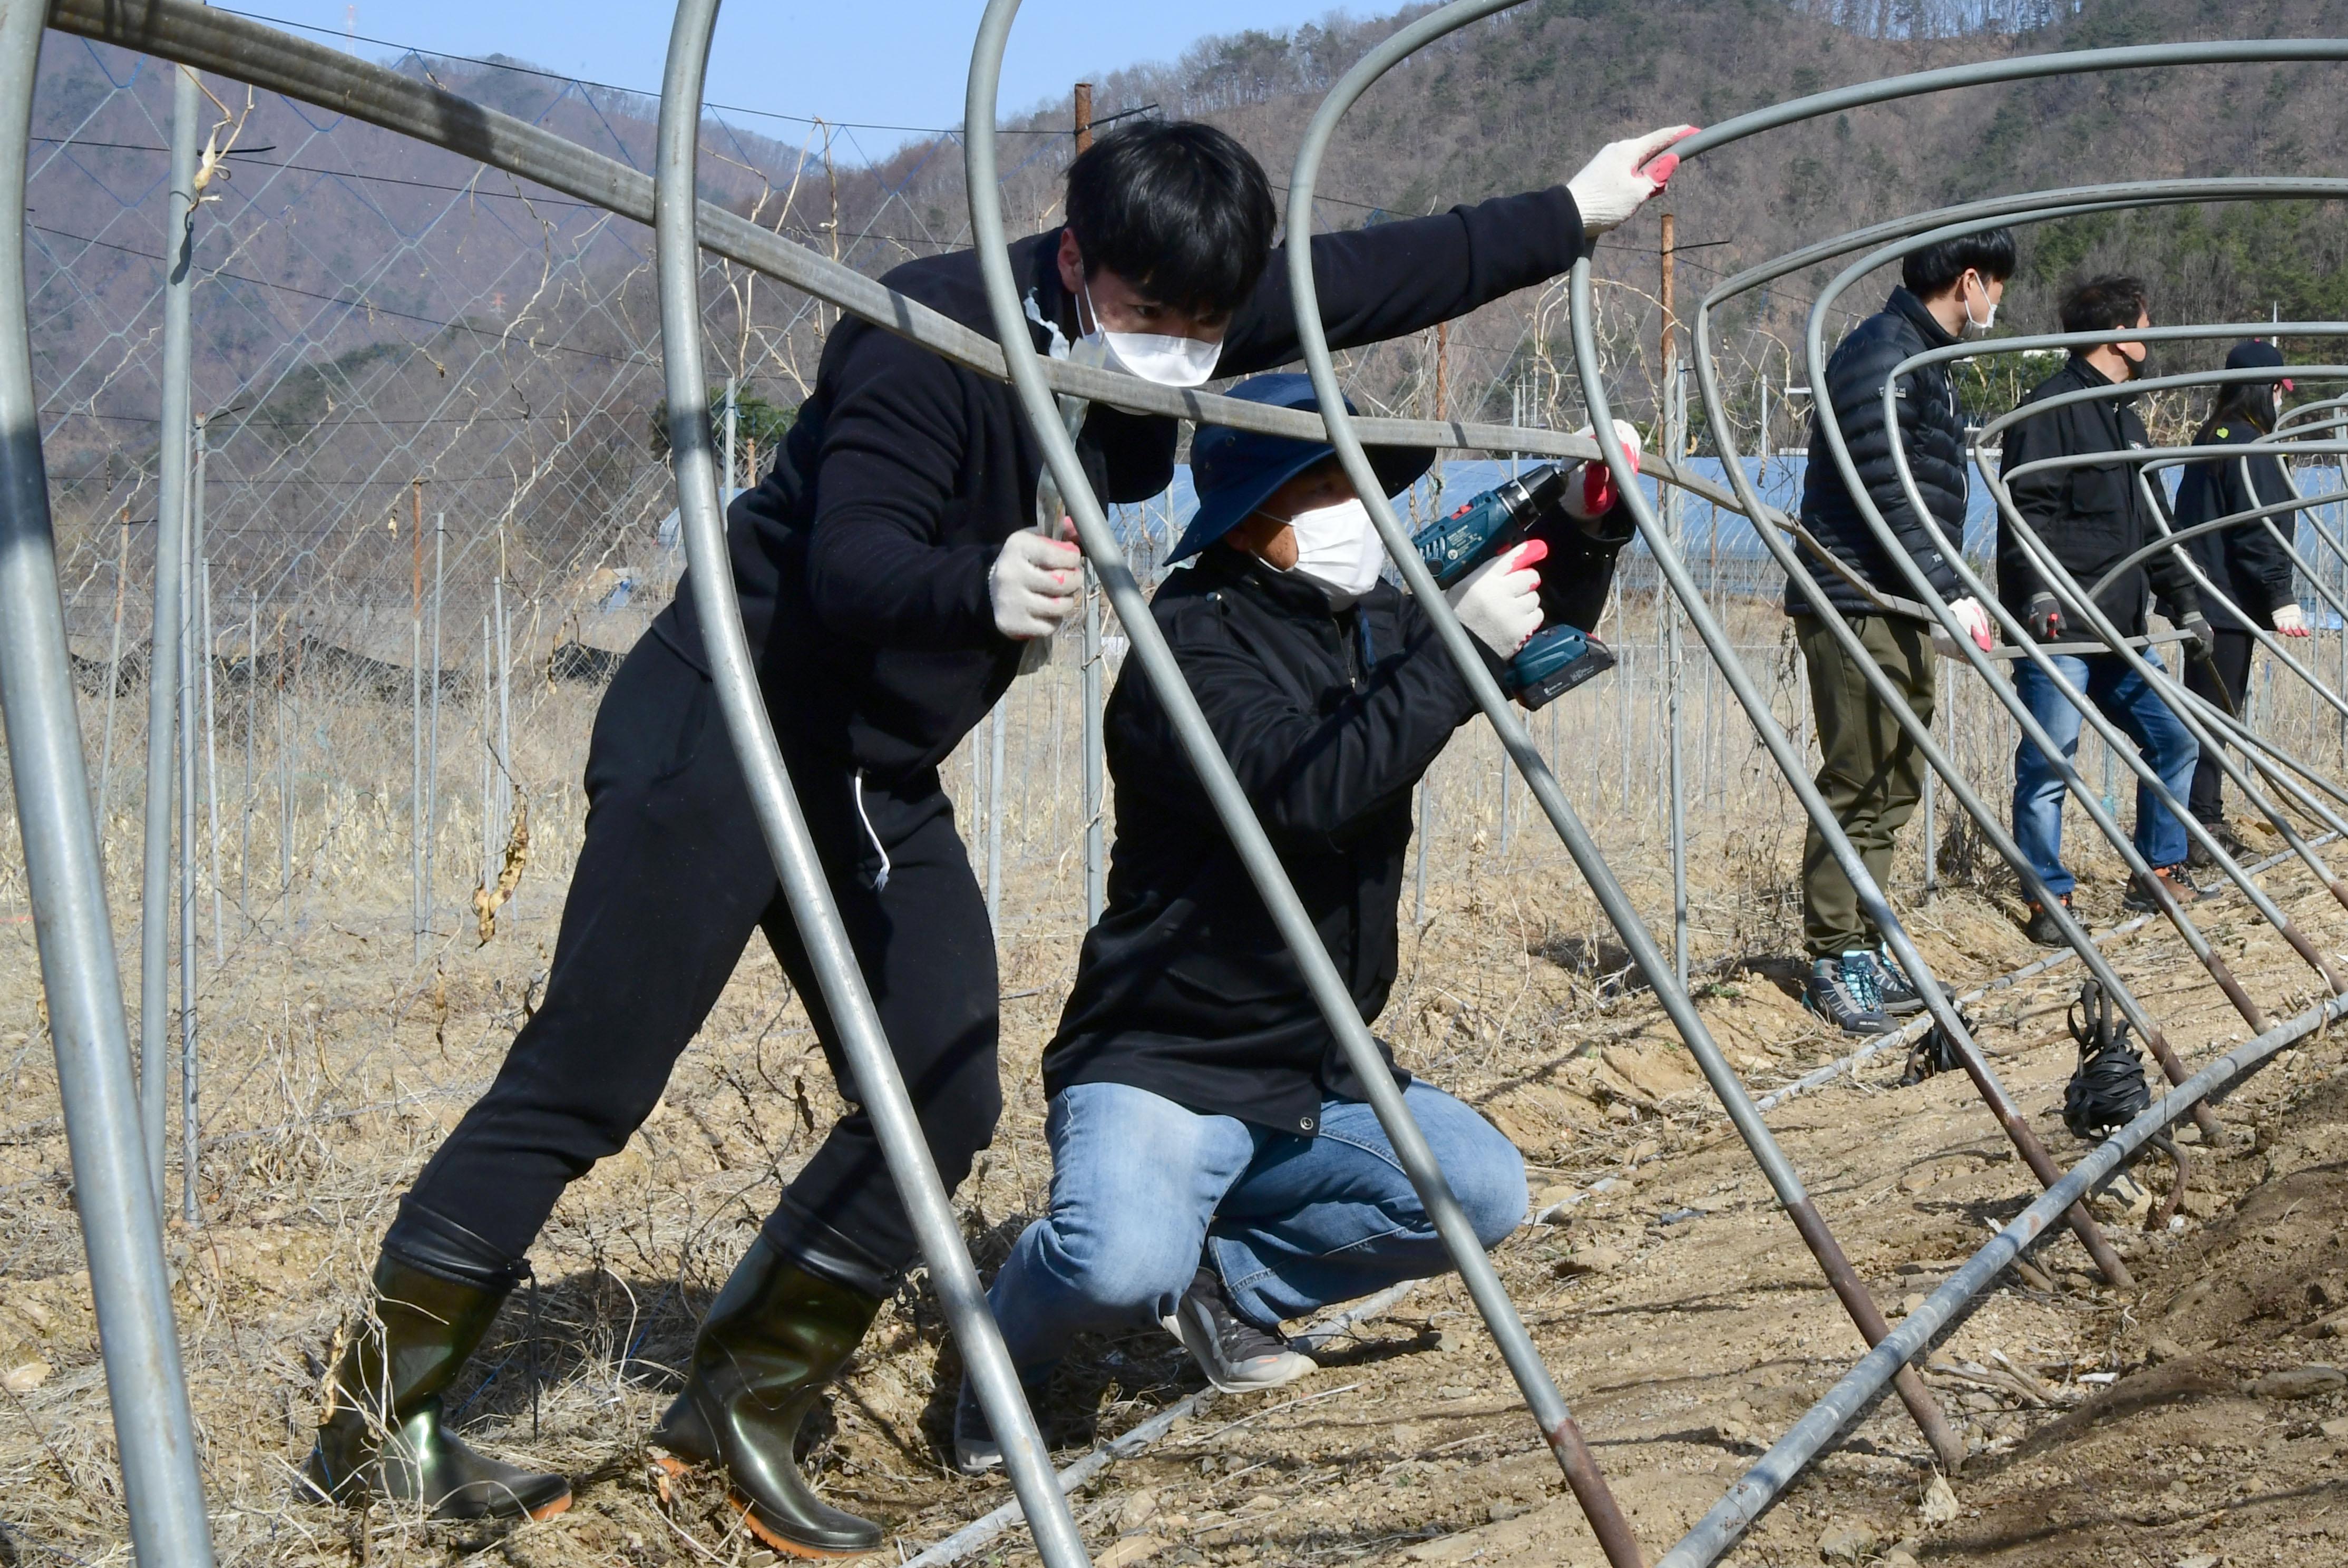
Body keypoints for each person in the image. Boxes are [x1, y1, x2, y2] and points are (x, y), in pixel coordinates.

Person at [303, 118, 1693, 1553]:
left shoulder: (1185, 302)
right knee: (591, 1079)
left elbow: (1381, 275)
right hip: (726, 729)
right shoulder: (933, 337)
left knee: (944, 1081)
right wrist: (974, 583)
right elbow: (850, 561)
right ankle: (379, 1429)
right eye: (1148, 322)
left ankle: (742, 1403)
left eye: (1203, 327)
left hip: (871, 769)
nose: (1172, 354)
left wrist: (1573, 212)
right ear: (1080, 260)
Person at [957, 376, 1638, 1469]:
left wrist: (1583, 519)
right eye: (1325, 480)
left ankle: (1227, 1276)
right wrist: (1455, 655)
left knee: (1478, 1190)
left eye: (1360, 481)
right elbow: (1305, 791)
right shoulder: (1186, 645)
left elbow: (1522, 624)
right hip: (1169, 1052)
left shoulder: (1354, 621)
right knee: (1110, 1263)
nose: (1358, 508)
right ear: (1252, 512)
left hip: (1307, 1060)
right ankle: (1002, 1353)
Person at [1785, 230, 2011, 1035]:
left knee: (1897, 778)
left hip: (1900, 600)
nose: (1999, 305)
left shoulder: (1929, 367)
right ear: (1971, 280)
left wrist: (1945, 595)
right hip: (1853, 594)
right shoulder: (1880, 355)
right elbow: (1885, 488)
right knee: (1859, 772)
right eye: (1998, 287)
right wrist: (1946, 588)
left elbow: (1928, 498)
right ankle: (1831, 953)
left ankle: (1864, 944)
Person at [1996, 275, 2215, 936]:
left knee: (2174, 736)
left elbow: (2156, 527)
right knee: (2052, 757)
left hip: (2121, 628)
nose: (2152, 334)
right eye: (2146, 323)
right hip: (2063, 625)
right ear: (2120, 335)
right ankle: (2048, 897)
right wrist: (2036, 593)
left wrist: (2185, 604)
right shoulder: (2049, 410)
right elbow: (2022, 511)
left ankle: (2158, 871)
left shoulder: (2128, 419)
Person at [2166, 341, 2311, 848]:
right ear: (2265, 390)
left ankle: (2198, 820)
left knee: (2205, 713)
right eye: (2279, 392)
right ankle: (2200, 825)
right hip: (2226, 602)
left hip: (2199, 594)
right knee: (2214, 716)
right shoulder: (2250, 445)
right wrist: (2279, 594)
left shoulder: (2210, 436)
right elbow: (2259, 526)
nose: (2281, 402)